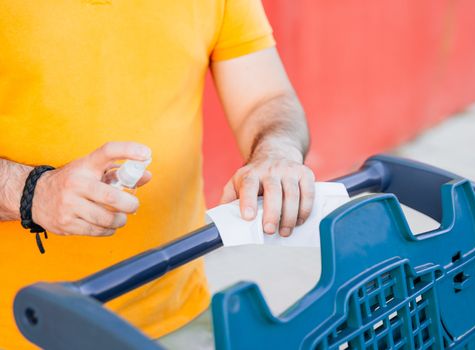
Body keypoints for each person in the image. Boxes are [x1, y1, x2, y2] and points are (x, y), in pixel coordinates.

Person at [0, 0, 314, 348]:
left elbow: (266, 99)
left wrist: (275, 154)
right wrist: (32, 192)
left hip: (175, 317)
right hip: (17, 331)